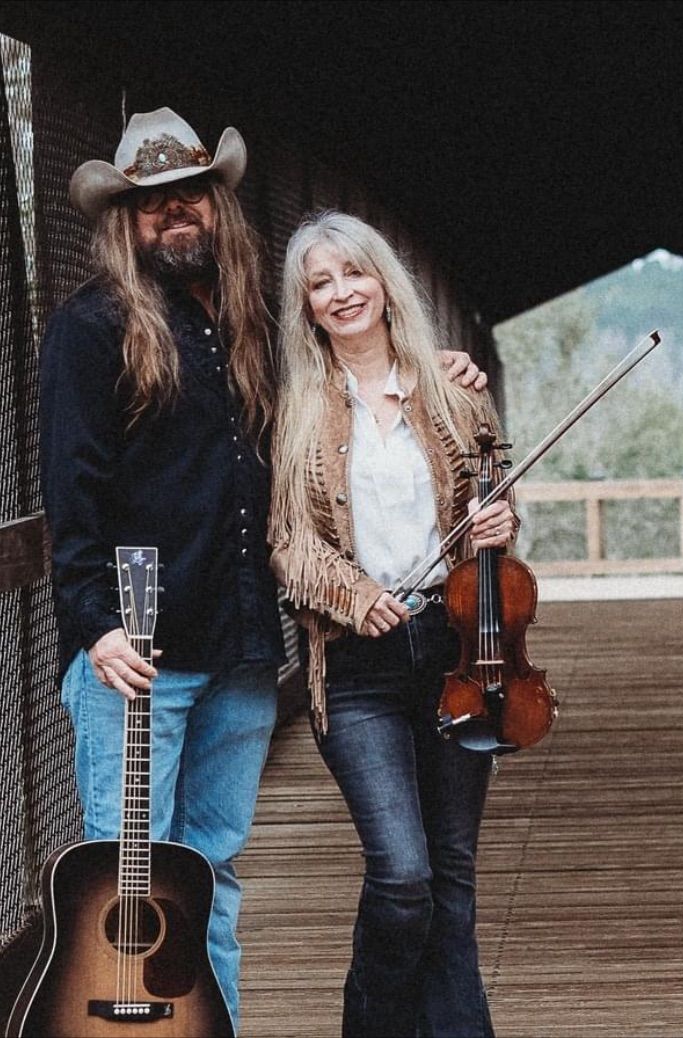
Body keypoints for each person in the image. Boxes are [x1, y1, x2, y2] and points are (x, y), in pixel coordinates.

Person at [39, 110, 486, 1032]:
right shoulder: (91, 328)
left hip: (242, 656)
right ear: (126, 220)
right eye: (151, 203)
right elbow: (70, 492)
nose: (175, 215)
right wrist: (95, 624)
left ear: (217, 204)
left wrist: (442, 370)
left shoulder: (249, 326)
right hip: (138, 658)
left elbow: (356, 389)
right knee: (134, 871)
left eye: (190, 195)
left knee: (211, 874)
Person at [269, 211, 519, 1038]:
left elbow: (496, 499)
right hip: (358, 667)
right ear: (306, 306)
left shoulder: (453, 393)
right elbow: (288, 544)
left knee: (451, 872)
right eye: (321, 283)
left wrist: (498, 525)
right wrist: (350, 593)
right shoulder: (296, 411)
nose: (343, 293)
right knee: (403, 874)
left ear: (384, 281)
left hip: (456, 654)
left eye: (354, 273)